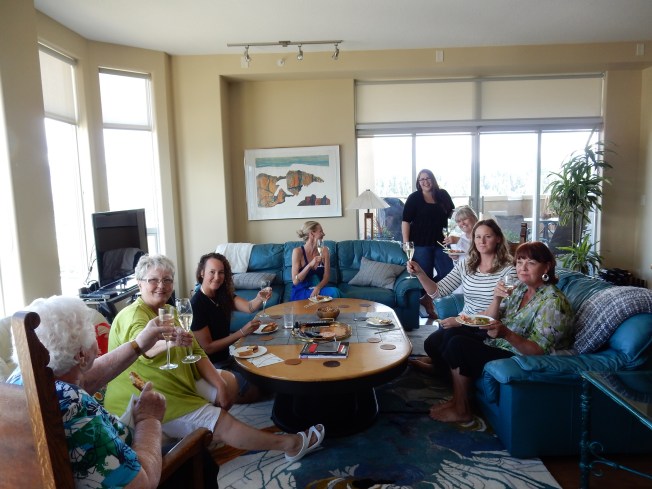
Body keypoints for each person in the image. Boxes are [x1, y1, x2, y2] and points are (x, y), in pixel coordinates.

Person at [104, 254, 325, 466]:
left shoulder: (171, 310)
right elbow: (144, 347)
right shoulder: (133, 315)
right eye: (153, 280)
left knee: (228, 384)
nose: (161, 285)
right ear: (139, 283)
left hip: (179, 380)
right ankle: (290, 444)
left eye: (167, 280)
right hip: (147, 395)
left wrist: (219, 385)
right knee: (222, 419)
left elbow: (197, 351)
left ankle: (203, 433)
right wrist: (171, 342)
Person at [8, 295, 173, 488]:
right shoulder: (75, 405)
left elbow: (83, 378)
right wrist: (149, 419)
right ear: (81, 355)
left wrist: (138, 344)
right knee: (195, 448)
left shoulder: (21, 380)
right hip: (133, 475)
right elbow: (142, 484)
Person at [426, 241, 574, 423]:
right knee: (450, 334)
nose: (523, 268)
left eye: (531, 263)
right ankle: (457, 398)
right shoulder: (520, 289)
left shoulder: (554, 302)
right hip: (499, 343)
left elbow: (538, 351)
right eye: (519, 262)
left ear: (547, 267)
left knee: (458, 345)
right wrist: (496, 299)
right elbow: (494, 316)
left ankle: (462, 410)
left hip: (519, 356)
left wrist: (507, 334)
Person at [407, 219, 516, 374]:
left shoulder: (508, 270)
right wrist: (419, 273)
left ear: (498, 239)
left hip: (488, 327)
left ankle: (439, 371)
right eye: (478, 237)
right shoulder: (467, 264)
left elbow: (504, 308)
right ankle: (440, 367)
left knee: (450, 338)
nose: (482, 241)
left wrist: (460, 321)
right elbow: (438, 291)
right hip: (465, 322)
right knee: (431, 343)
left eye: (488, 236)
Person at [191, 252, 270, 403]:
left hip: (227, 358)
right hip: (210, 366)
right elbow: (208, 348)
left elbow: (249, 307)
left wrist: (260, 297)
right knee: (257, 391)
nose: (217, 277)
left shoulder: (223, 295)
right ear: (202, 273)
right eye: (212, 272)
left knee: (265, 377)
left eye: (221, 272)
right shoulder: (196, 305)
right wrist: (241, 332)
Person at [401, 169, 455, 318]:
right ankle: (429, 303)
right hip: (420, 244)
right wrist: (406, 243)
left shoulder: (443, 195)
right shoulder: (414, 198)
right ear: (418, 183)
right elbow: (405, 221)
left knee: (449, 272)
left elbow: (453, 214)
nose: (425, 181)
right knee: (425, 275)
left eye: (428, 178)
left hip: (440, 242)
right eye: (422, 179)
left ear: (433, 179)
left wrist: (465, 223)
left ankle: (426, 299)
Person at [290, 221, 342, 301]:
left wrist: (318, 287)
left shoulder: (324, 250)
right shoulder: (297, 252)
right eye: (321, 231)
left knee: (335, 292)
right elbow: (295, 281)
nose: (323, 234)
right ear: (312, 234)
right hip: (302, 292)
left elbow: (326, 277)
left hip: (318, 290)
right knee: (336, 293)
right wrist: (310, 265)